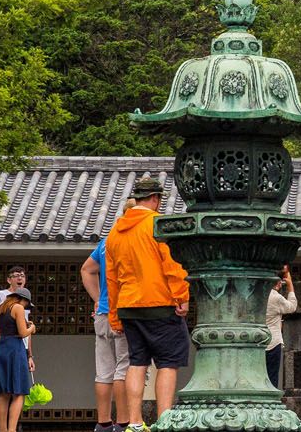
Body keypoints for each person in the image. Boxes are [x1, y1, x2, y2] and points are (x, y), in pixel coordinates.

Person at [106, 176, 191, 432]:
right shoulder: (158, 225)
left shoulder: (114, 233)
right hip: (159, 303)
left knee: (137, 362)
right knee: (167, 362)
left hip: (128, 305)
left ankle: (134, 422)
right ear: (155, 199)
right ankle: (163, 422)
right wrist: (182, 296)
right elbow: (172, 265)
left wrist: (114, 317)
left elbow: (111, 279)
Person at [81, 230, 131, 432]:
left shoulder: (106, 242)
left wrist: (97, 298)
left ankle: (103, 423)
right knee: (124, 368)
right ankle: (124, 422)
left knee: (103, 371)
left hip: (102, 313)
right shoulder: (133, 239)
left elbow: (86, 269)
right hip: (125, 311)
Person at [0, 287, 36, 432]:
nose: (25, 307)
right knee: (19, 392)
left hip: (2, 348)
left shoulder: (1, 308)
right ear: (22, 299)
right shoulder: (18, 307)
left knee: (4, 392)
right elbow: (23, 333)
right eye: (26, 304)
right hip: (15, 350)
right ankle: (12, 429)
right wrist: (32, 328)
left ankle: (3, 429)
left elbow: (2, 330)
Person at [266, 265, 298, 392]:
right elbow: (292, 307)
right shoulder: (275, 297)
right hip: (273, 342)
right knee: (272, 377)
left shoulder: (260, 294)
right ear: (279, 283)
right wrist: (290, 285)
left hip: (258, 342)